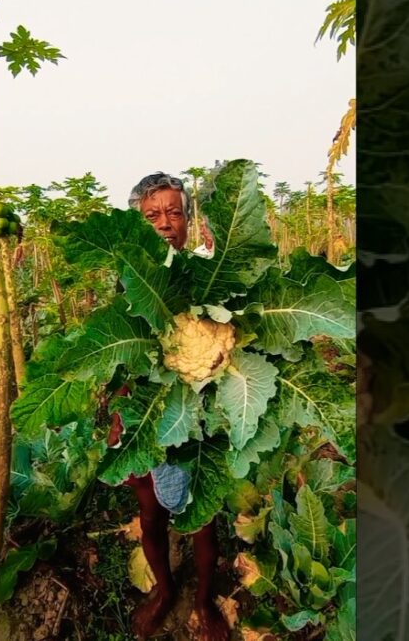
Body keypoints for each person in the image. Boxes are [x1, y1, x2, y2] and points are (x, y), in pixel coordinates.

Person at [104, 172, 227, 641]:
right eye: (151, 215)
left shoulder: (206, 271)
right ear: (140, 224)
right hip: (145, 415)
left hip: (198, 418)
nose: (163, 223)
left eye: (173, 212)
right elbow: (116, 357)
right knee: (151, 513)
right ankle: (164, 590)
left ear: (188, 221)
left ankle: (202, 601)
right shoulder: (130, 277)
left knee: (201, 517)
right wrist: (120, 417)